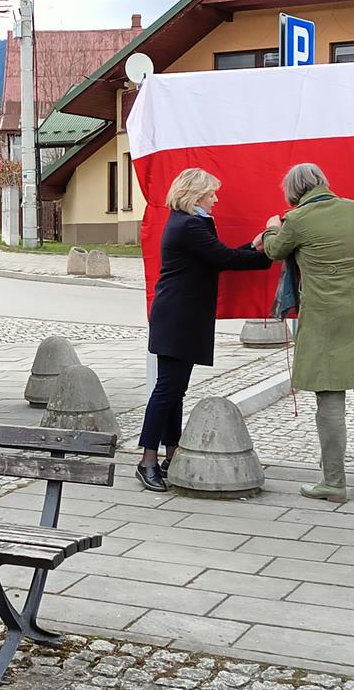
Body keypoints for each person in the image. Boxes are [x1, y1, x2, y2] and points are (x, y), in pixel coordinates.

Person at [260, 163, 354, 503]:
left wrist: (270, 229)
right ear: (322, 181)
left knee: (330, 398)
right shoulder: (352, 209)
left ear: (294, 190)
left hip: (325, 317)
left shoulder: (296, 220)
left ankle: (334, 483)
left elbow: (275, 251)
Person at [136, 168, 271, 492]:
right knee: (167, 390)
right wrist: (265, 250)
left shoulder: (188, 223)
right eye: (211, 193)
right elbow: (224, 258)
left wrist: (254, 246)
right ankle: (147, 461)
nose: (216, 199)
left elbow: (215, 257)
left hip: (180, 316)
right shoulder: (189, 226)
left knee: (174, 390)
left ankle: (171, 454)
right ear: (195, 195)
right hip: (178, 317)